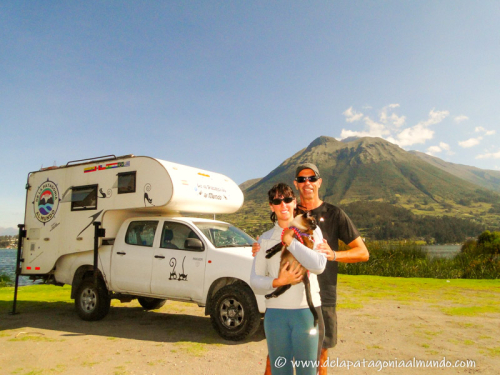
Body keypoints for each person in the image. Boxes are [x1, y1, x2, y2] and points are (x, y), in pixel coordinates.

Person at [253, 164, 369, 375]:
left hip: (322, 296)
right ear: (296, 185)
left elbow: (363, 252)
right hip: (288, 299)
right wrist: (259, 247)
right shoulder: (289, 210)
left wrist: (333, 254)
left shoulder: (334, 214)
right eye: (302, 179)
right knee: (274, 360)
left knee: (320, 357)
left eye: (311, 178)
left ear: (319, 182)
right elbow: (274, 238)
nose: (307, 183)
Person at [250, 183, 329, 375]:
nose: (283, 205)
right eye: (277, 201)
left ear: (294, 202)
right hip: (276, 315)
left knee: (307, 372)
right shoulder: (265, 240)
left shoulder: (312, 231)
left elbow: (319, 266)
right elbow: (255, 282)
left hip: (306, 313)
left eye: (287, 199)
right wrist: (278, 282)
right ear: (271, 206)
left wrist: (291, 242)